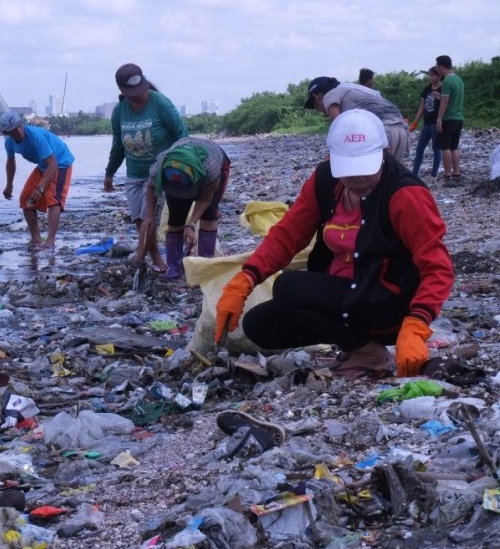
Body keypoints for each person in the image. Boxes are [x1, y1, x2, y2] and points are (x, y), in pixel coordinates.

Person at [214, 110, 453, 379]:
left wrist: (417, 323)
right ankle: (357, 345)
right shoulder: (324, 181)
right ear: (333, 159)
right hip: (347, 297)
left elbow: (438, 266)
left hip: (390, 304)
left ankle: (370, 354)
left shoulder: (404, 194)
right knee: (259, 325)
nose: (358, 179)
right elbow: (288, 233)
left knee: (288, 286)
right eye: (350, 172)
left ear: (383, 154)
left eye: (366, 169)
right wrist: (246, 278)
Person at [103, 63, 188, 273]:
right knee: (140, 220)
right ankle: (156, 258)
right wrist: (109, 173)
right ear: (122, 92)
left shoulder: (160, 103)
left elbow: (182, 135)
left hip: (160, 173)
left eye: (140, 91)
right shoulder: (119, 112)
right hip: (134, 173)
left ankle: (140, 260)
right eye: (132, 94)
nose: (138, 96)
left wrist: (183, 166)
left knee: (150, 217)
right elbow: (117, 146)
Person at [142, 137, 231, 280]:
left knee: (209, 215)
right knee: (175, 219)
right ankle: (174, 269)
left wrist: (191, 224)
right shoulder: (160, 167)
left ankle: (205, 267)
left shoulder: (211, 169)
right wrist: (150, 217)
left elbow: (205, 199)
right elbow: (151, 187)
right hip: (178, 167)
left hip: (214, 163)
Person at [0, 110, 75, 249]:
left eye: (19, 126)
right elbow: (11, 162)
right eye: (13, 130)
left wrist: (41, 188)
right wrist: (9, 185)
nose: (19, 131)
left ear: (22, 124)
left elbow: (53, 164)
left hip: (60, 162)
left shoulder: (35, 137)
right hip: (43, 164)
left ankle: (50, 242)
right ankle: (36, 240)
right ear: (6, 133)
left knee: (53, 200)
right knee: (26, 199)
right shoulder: (9, 143)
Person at [304, 76, 409, 163]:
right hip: (400, 128)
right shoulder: (353, 89)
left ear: (316, 96)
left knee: (373, 177)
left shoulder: (329, 96)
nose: (318, 110)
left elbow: (340, 128)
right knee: (391, 176)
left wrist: (333, 156)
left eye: (314, 106)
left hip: (384, 130)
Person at [435, 55, 465, 180]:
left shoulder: (447, 81)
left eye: (437, 66)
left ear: (441, 66)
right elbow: (450, 98)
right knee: (454, 146)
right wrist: (440, 96)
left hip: (449, 118)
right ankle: (456, 172)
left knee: (445, 147)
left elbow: (446, 101)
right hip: (459, 118)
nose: (437, 68)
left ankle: (447, 173)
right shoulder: (459, 79)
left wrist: (439, 119)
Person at [409, 67, 443, 178]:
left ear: (439, 76)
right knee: (419, 148)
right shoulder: (427, 89)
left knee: (436, 148)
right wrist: (415, 122)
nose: (431, 77)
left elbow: (447, 104)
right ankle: (414, 173)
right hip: (427, 123)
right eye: (430, 75)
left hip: (436, 122)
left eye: (433, 75)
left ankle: (434, 173)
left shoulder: (443, 89)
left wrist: (440, 98)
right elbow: (422, 107)